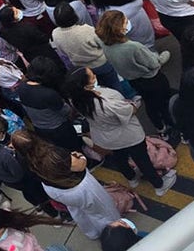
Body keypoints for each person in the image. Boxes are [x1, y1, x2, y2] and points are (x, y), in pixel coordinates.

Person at [63, 67, 174, 197]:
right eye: (92, 76)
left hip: (105, 137)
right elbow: (129, 110)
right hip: (128, 136)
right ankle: (159, 185)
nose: (95, 76)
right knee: (143, 160)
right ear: (86, 86)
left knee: (120, 159)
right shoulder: (107, 103)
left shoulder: (76, 100)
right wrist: (133, 104)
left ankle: (132, 178)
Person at [11, 130, 134, 240]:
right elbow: (80, 165)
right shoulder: (54, 154)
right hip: (80, 189)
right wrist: (80, 156)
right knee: (104, 209)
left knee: (77, 211)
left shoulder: (21, 159)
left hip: (54, 191)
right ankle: (115, 230)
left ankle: (91, 233)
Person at [96, 10, 175, 136]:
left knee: (150, 103)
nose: (128, 22)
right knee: (164, 103)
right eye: (125, 22)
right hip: (153, 79)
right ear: (120, 29)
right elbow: (154, 63)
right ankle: (174, 125)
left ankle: (161, 128)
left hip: (134, 81)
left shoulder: (105, 45)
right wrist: (164, 55)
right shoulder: (134, 47)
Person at [0, 118, 59, 217]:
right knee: (39, 195)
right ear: (1, 133)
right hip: (21, 179)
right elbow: (18, 173)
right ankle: (54, 215)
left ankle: (38, 207)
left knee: (27, 193)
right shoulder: (4, 156)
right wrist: (14, 153)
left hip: (6, 179)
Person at [50, 2, 131, 96]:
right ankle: (121, 101)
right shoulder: (86, 30)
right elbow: (103, 43)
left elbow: (62, 51)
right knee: (113, 84)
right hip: (101, 64)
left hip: (82, 68)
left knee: (98, 89)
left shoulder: (55, 34)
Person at [17, 56, 84, 153]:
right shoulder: (48, 94)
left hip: (39, 128)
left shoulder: (22, 87)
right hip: (58, 128)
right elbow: (66, 111)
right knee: (73, 148)